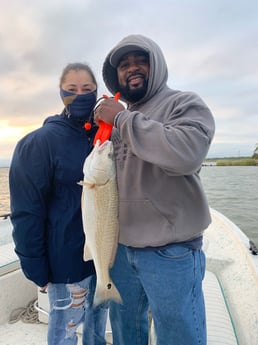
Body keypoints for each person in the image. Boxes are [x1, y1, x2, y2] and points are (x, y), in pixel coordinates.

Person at [94, 34, 215, 345]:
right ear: (115, 74)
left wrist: (121, 118)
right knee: (125, 334)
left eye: (140, 60)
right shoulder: (113, 121)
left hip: (170, 252)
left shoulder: (184, 103)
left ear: (156, 64)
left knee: (179, 337)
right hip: (120, 251)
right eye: (124, 64)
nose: (132, 68)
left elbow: (186, 153)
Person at [9, 63, 108, 345]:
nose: (80, 95)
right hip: (65, 266)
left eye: (87, 89)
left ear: (96, 92)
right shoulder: (38, 143)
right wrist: (34, 267)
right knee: (64, 334)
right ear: (61, 93)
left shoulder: (100, 140)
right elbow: (27, 213)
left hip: (101, 260)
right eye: (72, 89)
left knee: (96, 332)